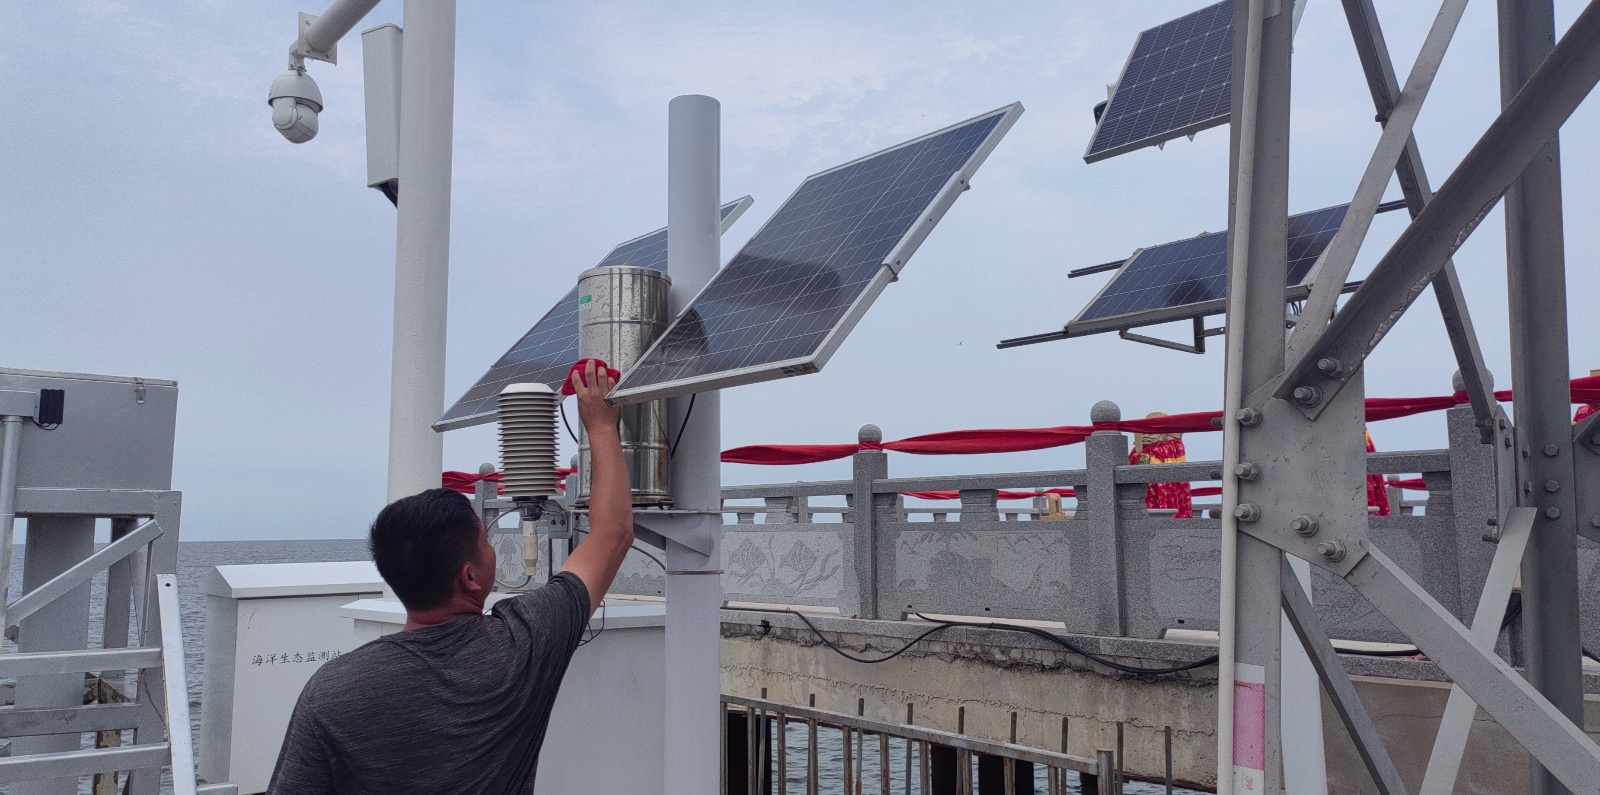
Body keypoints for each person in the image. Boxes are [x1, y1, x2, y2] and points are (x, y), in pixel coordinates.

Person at [268, 361, 634, 795]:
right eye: (486, 542)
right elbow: (612, 534)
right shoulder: (522, 644)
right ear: (470, 576)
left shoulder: (332, 690)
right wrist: (601, 426)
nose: (494, 549)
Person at [1129, 411, 1193, 519]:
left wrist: (1142, 457)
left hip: (1164, 486)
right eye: (1143, 433)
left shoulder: (1172, 446)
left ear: (1162, 433)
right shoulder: (1138, 449)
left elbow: (1153, 461)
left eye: (1151, 433)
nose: (1146, 436)